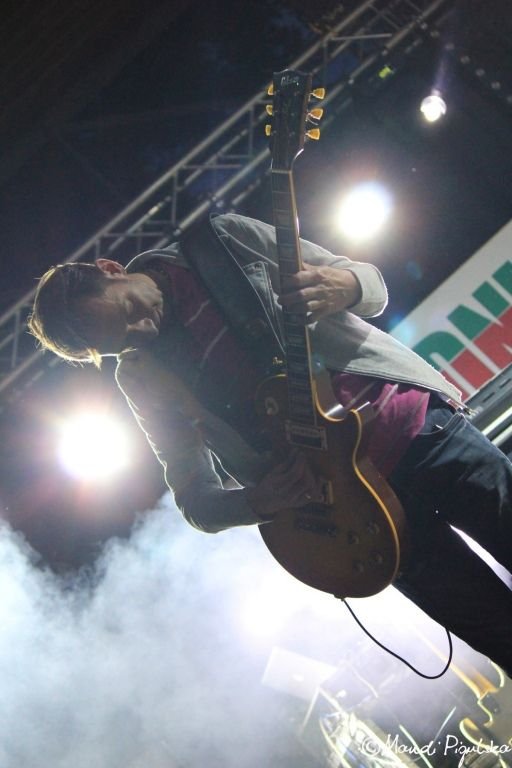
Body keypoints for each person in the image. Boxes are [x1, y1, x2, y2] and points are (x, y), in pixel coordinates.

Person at [29, 212, 512, 676]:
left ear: (111, 269)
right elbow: (195, 499)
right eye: (123, 341)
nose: (143, 330)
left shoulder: (219, 243)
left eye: (130, 311)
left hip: (420, 433)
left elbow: (372, 286)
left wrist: (346, 286)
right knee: (498, 631)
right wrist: (258, 502)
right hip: (358, 514)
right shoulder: (140, 377)